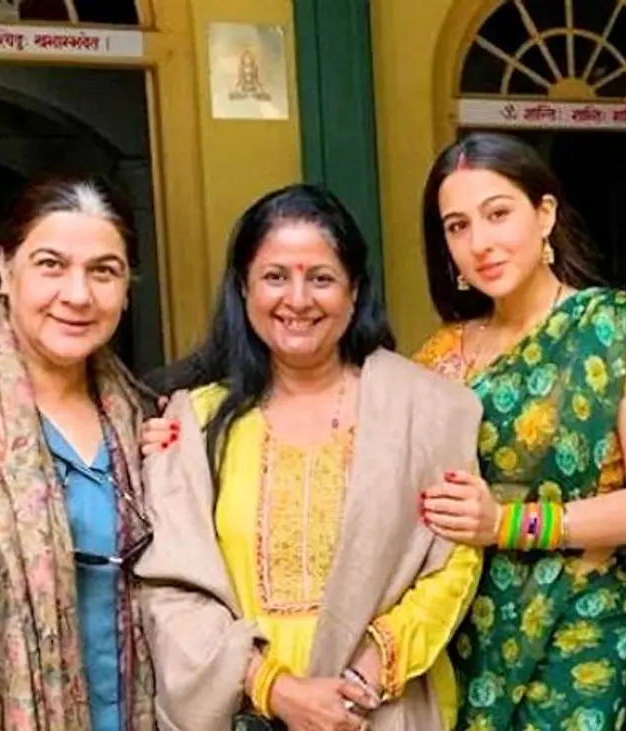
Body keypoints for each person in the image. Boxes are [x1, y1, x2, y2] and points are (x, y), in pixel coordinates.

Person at [133, 184, 484, 731]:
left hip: (382, 710)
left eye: (321, 278)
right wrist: (275, 688)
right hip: (246, 711)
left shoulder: (427, 409)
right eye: (275, 277)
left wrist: (362, 682)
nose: (297, 300)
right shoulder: (194, 423)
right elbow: (171, 590)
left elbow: (454, 560)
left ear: (354, 291)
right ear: (244, 288)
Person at [411, 131, 626, 730]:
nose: (480, 243)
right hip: (467, 633)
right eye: (457, 226)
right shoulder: (441, 356)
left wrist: (505, 524)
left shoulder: (618, 331)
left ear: (545, 214)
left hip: (583, 636)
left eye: (498, 214)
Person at [0, 175, 156, 731]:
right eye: (51, 265)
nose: (78, 295)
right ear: (4, 267)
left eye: (103, 271)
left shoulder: (141, 415)